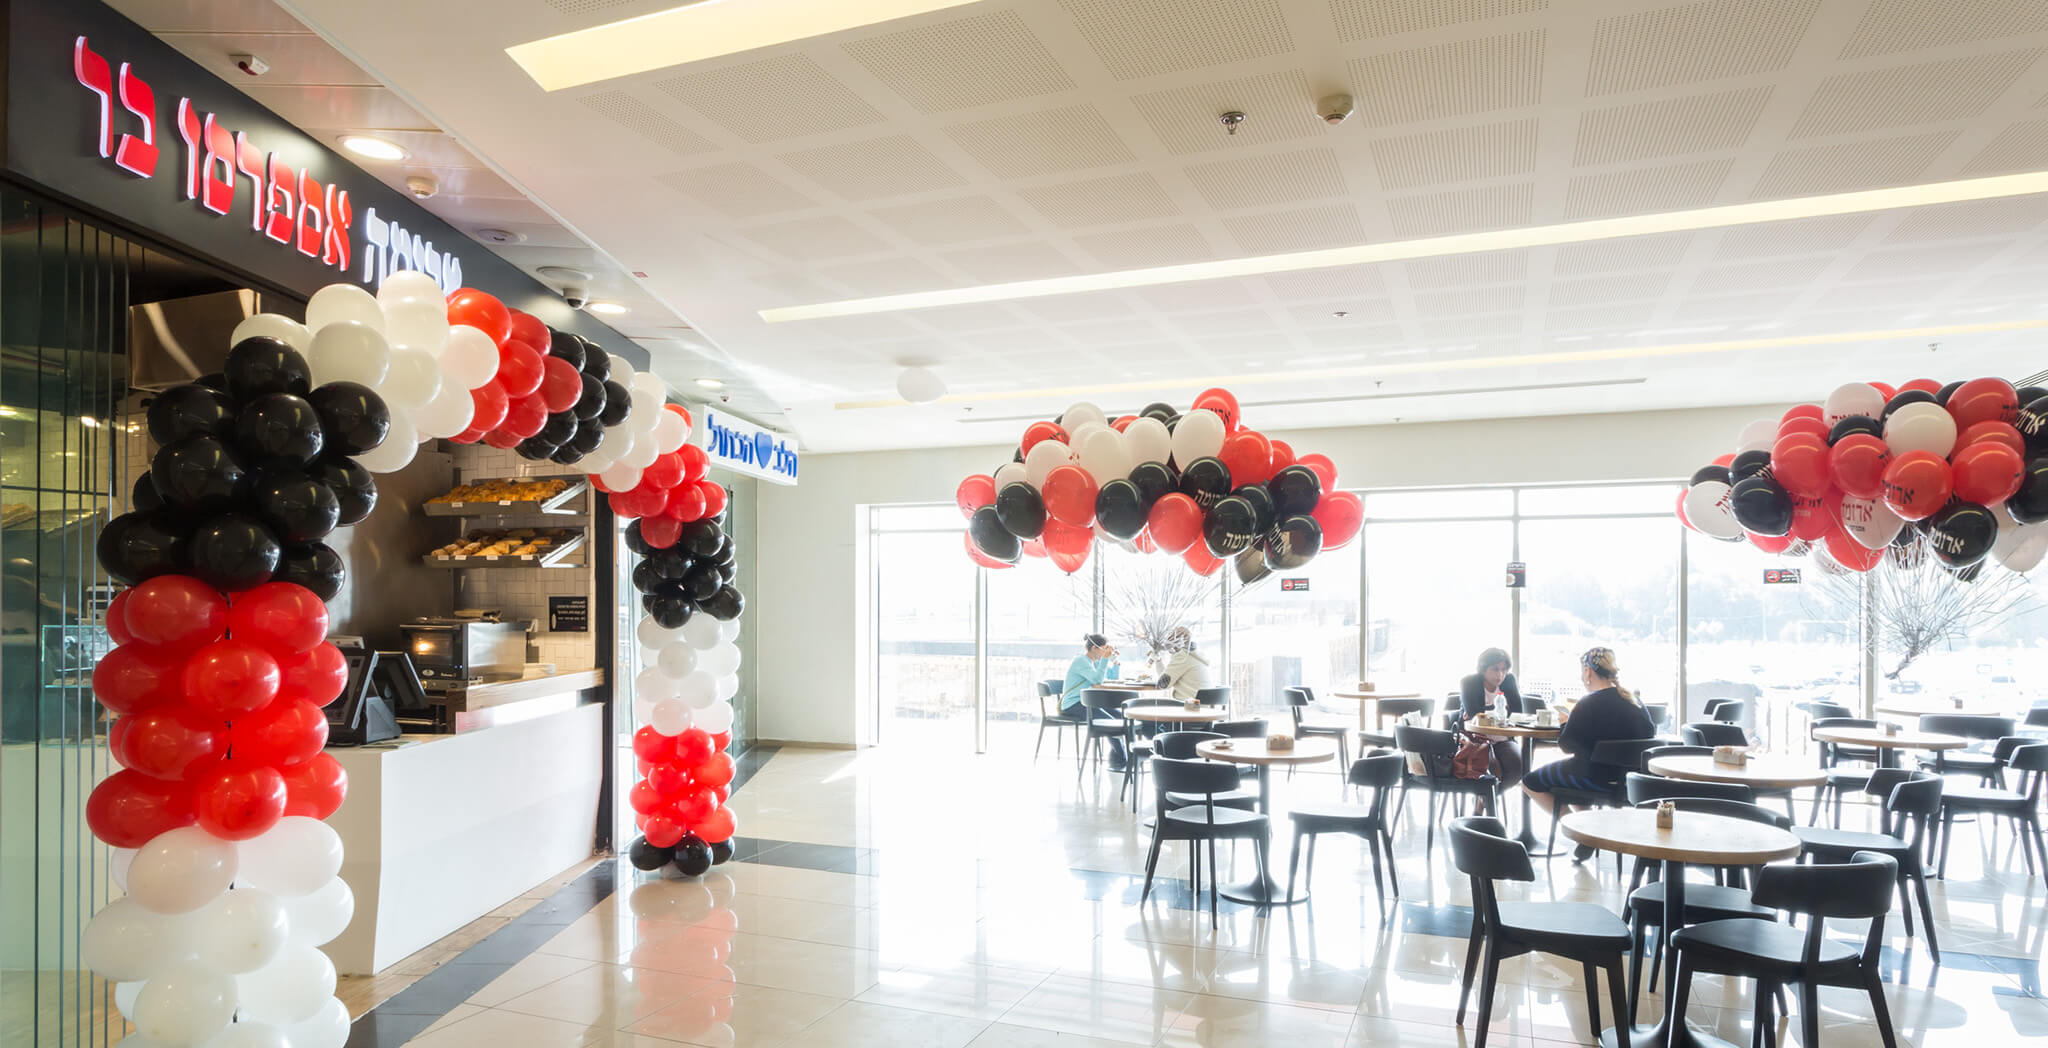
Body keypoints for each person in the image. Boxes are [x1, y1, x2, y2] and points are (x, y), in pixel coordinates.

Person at [1522, 647, 1655, 861]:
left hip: (1594, 776)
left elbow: (1566, 745)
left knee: (1529, 782)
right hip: (1630, 781)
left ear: (1588, 672)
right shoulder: (1636, 701)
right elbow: (1650, 733)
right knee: (1573, 779)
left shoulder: (1588, 704)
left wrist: (1567, 722)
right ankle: (1587, 832)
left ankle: (1584, 836)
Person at [1062, 634, 1128, 768]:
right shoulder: (1081, 661)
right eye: (1103, 649)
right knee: (1110, 721)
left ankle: (1115, 755)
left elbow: (1110, 677)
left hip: (1087, 702)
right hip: (1073, 704)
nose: (1105, 652)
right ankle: (1123, 760)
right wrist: (1104, 659)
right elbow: (1097, 680)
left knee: (1119, 715)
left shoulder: (1093, 662)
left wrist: (1114, 661)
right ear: (1094, 648)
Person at [1459, 647, 1522, 723]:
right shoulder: (1469, 682)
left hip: (1503, 731)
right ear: (1483, 670)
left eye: (1503, 669)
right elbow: (1474, 714)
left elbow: (1518, 713)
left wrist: (1484, 711)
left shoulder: (1509, 680)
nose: (1500, 674)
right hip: (1474, 732)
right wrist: (1503, 709)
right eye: (1495, 669)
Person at [1156, 627, 1211, 701]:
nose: (1168, 640)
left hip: (1191, 705)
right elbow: (1165, 679)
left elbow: (1163, 685)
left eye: (1171, 636)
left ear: (1178, 640)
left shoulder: (1182, 656)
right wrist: (1158, 660)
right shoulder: (1196, 654)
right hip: (1206, 705)